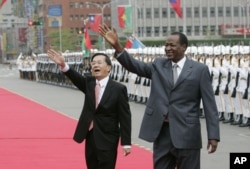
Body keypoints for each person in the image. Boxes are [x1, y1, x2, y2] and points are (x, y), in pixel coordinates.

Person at [99, 24, 220, 169]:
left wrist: (213, 135)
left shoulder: (200, 70)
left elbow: (210, 104)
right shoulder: (158, 65)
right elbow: (135, 66)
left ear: (183, 47)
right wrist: (117, 46)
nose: (168, 48)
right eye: (166, 45)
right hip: (162, 132)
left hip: (187, 134)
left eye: (172, 45)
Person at [47, 49, 132, 169]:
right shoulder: (89, 83)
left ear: (108, 68)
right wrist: (63, 65)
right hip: (90, 136)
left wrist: (126, 142)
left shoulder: (118, 89)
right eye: (93, 63)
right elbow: (75, 78)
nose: (95, 65)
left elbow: (125, 117)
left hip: (108, 138)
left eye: (99, 62)